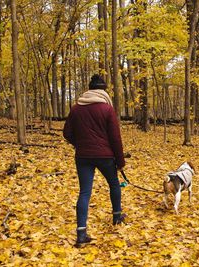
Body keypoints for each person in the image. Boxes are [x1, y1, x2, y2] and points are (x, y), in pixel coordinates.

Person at [63, 74, 126, 247]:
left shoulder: (76, 108)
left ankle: (81, 233)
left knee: (84, 192)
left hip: (83, 156)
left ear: (90, 89)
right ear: (103, 90)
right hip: (105, 156)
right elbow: (115, 138)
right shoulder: (107, 109)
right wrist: (120, 161)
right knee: (114, 184)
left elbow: (67, 133)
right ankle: (117, 216)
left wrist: (80, 144)